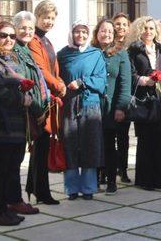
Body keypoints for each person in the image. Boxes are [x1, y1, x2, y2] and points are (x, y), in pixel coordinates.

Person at [0, 22, 35, 226]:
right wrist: (21, 99)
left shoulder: (13, 58)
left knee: (12, 168)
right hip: (0, 125)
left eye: (12, 36)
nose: (9, 40)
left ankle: (7, 208)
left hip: (17, 124)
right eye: (4, 35)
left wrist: (26, 94)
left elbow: (24, 85)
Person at [127, 17, 161, 191]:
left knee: (159, 140)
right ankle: (144, 180)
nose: (148, 32)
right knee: (145, 141)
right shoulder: (133, 51)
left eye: (151, 28)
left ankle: (158, 178)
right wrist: (143, 80)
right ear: (139, 30)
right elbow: (129, 74)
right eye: (145, 28)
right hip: (144, 102)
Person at [57, 22, 106, 200]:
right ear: (71, 33)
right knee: (69, 144)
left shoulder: (96, 54)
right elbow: (57, 77)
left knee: (90, 145)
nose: (81, 35)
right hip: (68, 104)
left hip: (90, 105)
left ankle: (88, 188)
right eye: (77, 31)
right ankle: (71, 188)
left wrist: (82, 82)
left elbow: (102, 80)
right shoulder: (62, 55)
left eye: (84, 32)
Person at [10, 11, 47, 216]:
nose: (27, 31)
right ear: (16, 29)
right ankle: (12, 201)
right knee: (13, 162)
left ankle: (13, 200)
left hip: (31, 113)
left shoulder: (26, 50)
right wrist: (37, 109)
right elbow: (23, 84)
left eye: (30, 29)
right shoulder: (16, 51)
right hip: (23, 113)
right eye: (23, 28)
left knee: (17, 160)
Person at [27, 0, 64, 205]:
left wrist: (60, 81)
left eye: (52, 18)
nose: (49, 21)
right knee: (40, 147)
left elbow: (53, 67)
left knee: (42, 147)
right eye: (45, 17)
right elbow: (41, 69)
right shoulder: (34, 40)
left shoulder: (47, 41)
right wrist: (58, 85)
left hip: (50, 98)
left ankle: (33, 187)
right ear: (37, 17)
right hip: (42, 100)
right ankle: (42, 192)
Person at [92, 19, 131, 194]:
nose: (106, 34)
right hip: (92, 106)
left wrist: (121, 107)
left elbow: (125, 83)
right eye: (103, 31)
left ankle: (111, 181)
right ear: (97, 32)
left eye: (109, 31)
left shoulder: (120, 53)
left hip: (110, 107)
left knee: (109, 144)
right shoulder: (90, 52)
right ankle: (93, 179)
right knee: (93, 144)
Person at [112, 12, 133, 183]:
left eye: (124, 24)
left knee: (123, 137)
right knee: (109, 136)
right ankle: (107, 169)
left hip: (127, 94)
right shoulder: (108, 44)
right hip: (111, 94)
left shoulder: (132, 46)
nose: (120, 27)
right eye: (117, 24)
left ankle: (123, 169)